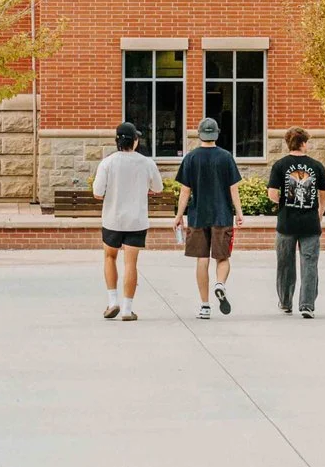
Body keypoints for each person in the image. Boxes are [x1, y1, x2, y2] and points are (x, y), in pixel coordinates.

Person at [174, 117, 242, 319]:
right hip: (222, 214)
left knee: (202, 259)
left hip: (197, 216)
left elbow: (185, 191)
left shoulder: (191, 158)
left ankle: (204, 306)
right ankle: (220, 284)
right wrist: (239, 212)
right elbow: (233, 188)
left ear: (199, 133)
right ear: (217, 134)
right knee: (223, 257)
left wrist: (179, 216)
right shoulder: (226, 157)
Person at [90, 121, 159, 321]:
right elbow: (158, 187)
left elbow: (97, 192)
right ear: (135, 141)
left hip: (112, 219)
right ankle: (128, 309)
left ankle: (113, 302)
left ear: (117, 141)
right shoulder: (147, 163)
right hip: (137, 220)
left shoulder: (108, 163)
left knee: (110, 258)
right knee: (131, 263)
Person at [267, 127, 325, 317]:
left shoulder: (280, 165)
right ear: (303, 143)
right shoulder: (317, 165)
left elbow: (272, 194)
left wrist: (286, 202)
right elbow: (324, 193)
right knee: (309, 264)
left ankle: (286, 302)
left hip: (286, 223)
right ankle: (307, 305)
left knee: (285, 264)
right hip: (310, 223)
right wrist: (319, 213)